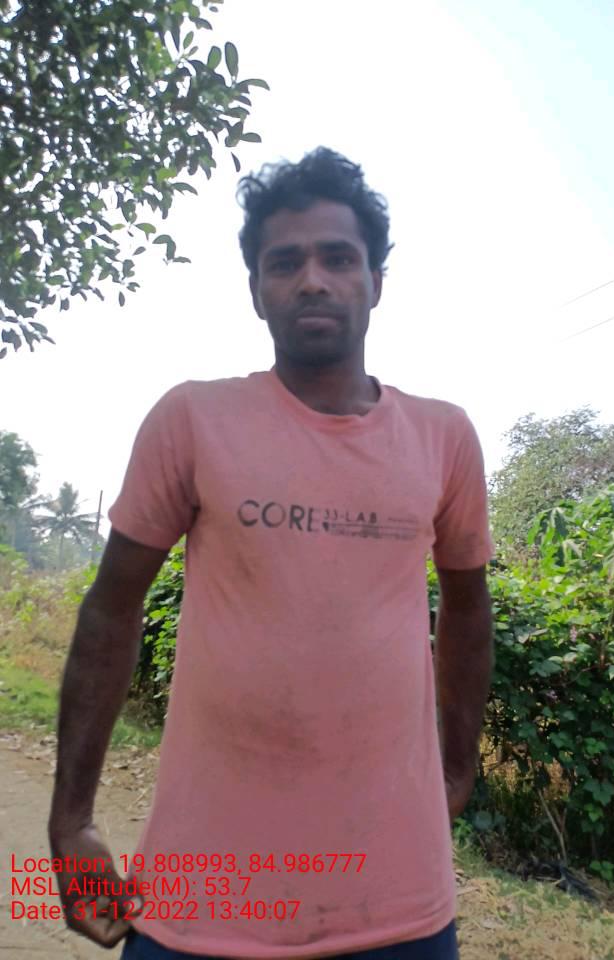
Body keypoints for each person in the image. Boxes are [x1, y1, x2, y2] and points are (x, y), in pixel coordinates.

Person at [47, 148, 495, 959]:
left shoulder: (444, 438)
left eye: (338, 258)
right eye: (284, 263)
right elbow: (111, 611)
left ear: (376, 282)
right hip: (200, 906)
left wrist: (456, 769)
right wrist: (72, 822)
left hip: (398, 906)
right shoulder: (192, 421)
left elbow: (467, 610)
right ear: (256, 290)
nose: (312, 280)